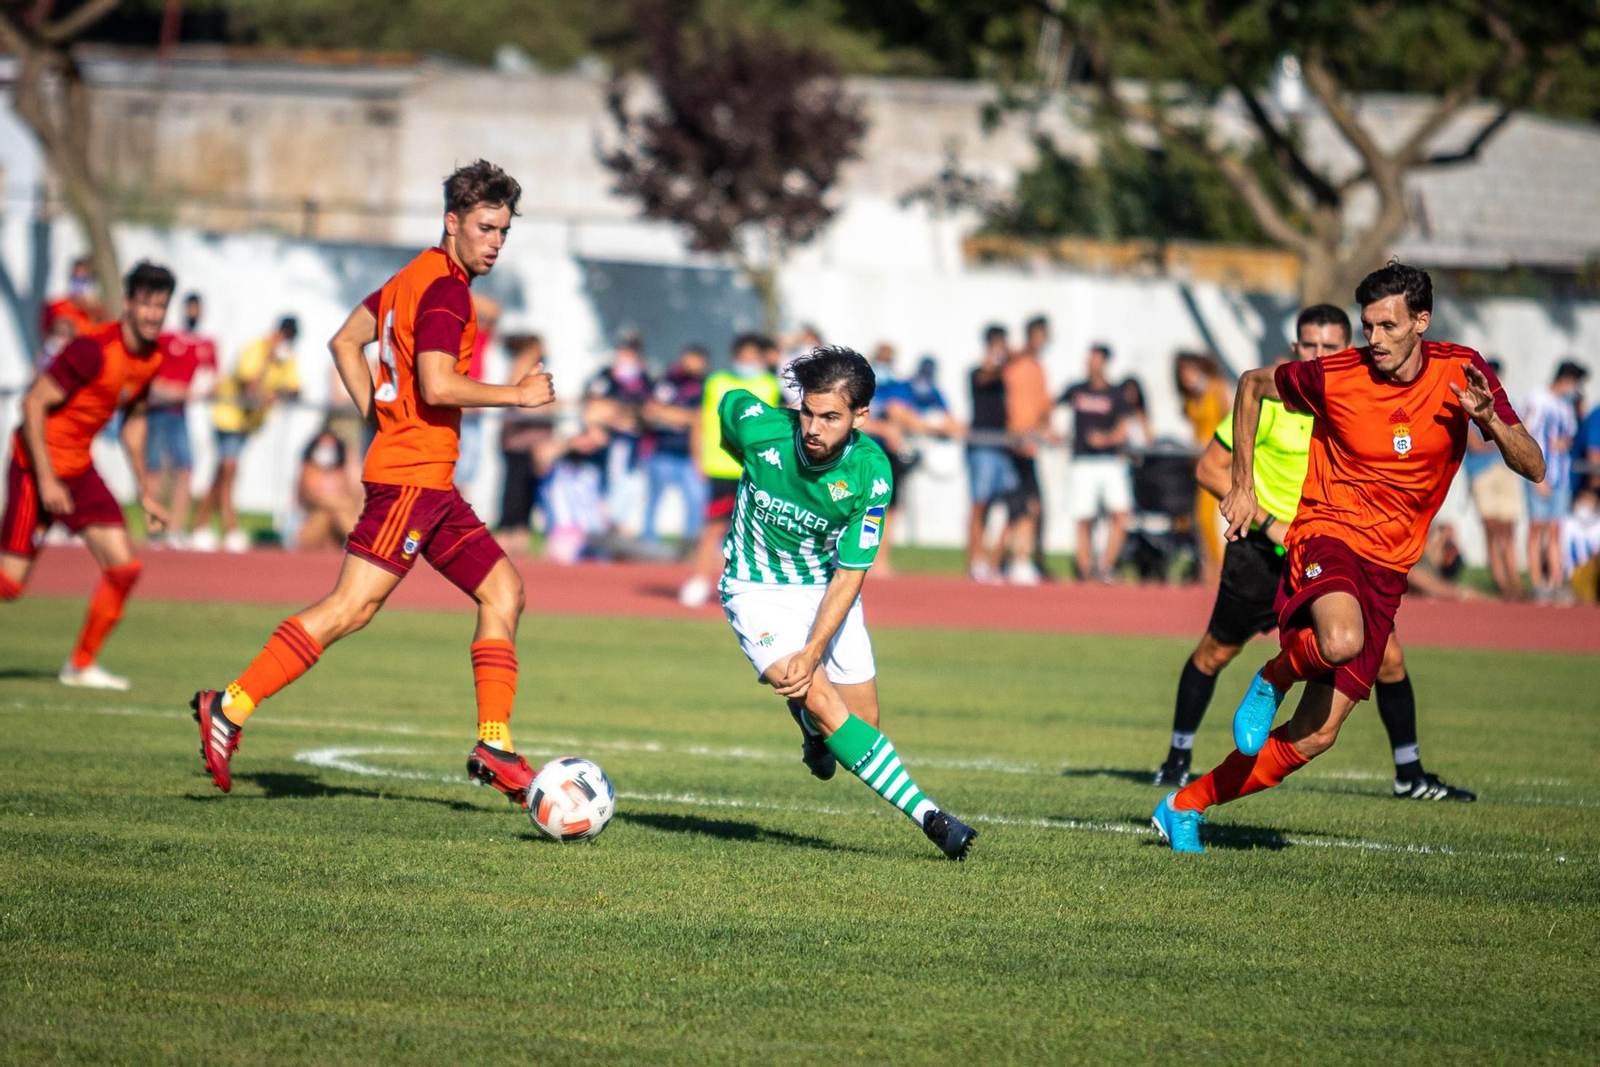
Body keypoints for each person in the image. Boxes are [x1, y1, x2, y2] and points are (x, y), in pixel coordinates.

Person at [190, 160, 557, 802]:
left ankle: (494, 744)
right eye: (485, 228)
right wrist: (518, 396)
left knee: (505, 592)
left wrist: (380, 416)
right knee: (351, 608)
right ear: (453, 222)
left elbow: (343, 342)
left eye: (503, 231)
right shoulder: (446, 290)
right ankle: (230, 705)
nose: (495, 242)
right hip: (410, 482)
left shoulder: (410, 277)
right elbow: (438, 384)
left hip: (430, 484)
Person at [1152, 263, 1545, 853]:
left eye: (1388, 326)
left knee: (1316, 736)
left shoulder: (1462, 372)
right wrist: (1242, 486)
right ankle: (1271, 677)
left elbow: (1534, 465)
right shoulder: (1337, 373)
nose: (1376, 339)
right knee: (1339, 641)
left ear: (1421, 321)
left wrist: (1487, 416)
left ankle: (1185, 803)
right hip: (1326, 534)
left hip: (1390, 567)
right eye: (1368, 327)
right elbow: (1252, 385)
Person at [1153, 304, 1475, 801]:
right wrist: (1264, 516)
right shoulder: (1276, 400)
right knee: (1216, 651)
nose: (1318, 354)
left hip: (1332, 550)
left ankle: (1409, 773)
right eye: (1309, 346)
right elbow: (1210, 469)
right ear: (1296, 347)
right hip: (1264, 553)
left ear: (1349, 351)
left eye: (1330, 347)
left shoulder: (1356, 400)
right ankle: (1177, 760)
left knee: (1385, 656)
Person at [717, 345, 978, 860]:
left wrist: (814, 648)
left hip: (827, 588)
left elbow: (852, 573)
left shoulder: (871, 474)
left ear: (861, 416)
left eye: (830, 417)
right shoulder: (756, 426)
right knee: (828, 707)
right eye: (808, 412)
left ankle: (812, 733)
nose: (813, 428)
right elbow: (731, 414)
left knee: (863, 729)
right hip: (754, 590)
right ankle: (933, 819)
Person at [1, 262, 176, 690]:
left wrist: (146, 492)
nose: (154, 314)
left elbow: (133, 423)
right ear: (128, 304)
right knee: (10, 586)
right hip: (34, 464)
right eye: (147, 304)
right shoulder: (92, 349)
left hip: (77, 472)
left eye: (161, 306)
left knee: (124, 567)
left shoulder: (151, 359)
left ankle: (80, 664)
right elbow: (31, 405)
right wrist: (45, 481)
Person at [678, 334, 779, 608]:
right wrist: (696, 456)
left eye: (751, 356)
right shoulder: (717, 382)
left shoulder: (770, 385)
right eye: (741, 355)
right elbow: (701, 420)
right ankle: (699, 580)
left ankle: (757, 586)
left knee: (760, 530)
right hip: (721, 467)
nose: (746, 361)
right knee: (713, 527)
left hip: (757, 469)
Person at [192, 316, 303, 552]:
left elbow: (296, 390)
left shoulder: (288, 359)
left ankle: (199, 527)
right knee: (230, 469)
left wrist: (280, 393)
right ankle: (230, 529)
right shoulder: (255, 349)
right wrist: (268, 360)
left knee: (222, 473)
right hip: (227, 417)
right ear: (276, 333)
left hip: (248, 425)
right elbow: (250, 388)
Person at [145, 292, 217, 548]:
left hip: (183, 416)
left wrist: (197, 392)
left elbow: (212, 380)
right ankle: (154, 530)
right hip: (157, 413)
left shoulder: (207, 345)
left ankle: (176, 530)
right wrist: (173, 391)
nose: (193, 314)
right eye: (190, 308)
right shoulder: (166, 339)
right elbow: (152, 379)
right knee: (154, 473)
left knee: (185, 471)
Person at [1060, 343, 1133, 582]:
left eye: (1097, 360)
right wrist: (1051, 431)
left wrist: (1106, 439)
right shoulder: (1076, 390)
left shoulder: (1116, 394)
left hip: (1109, 462)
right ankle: (1084, 570)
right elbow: (1050, 410)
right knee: (1083, 518)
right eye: (1089, 359)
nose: (1092, 364)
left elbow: (1123, 430)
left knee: (1121, 513)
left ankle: (1105, 566)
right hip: (1081, 462)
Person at [1522, 361, 1586, 603]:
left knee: (1556, 528)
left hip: (1561, 474)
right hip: (1539, 471)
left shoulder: (1568, 405)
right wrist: (1535, 474)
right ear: (1565, 378)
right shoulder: (1537, 398)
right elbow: (1525, 434)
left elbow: (1569, 436)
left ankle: (1556, 581)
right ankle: (1538, 581)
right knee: (1537, 526)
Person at [1464, 357, 1525, 599]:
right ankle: (1501, 583)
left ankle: (1515, 584)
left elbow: (1521, 437)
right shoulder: (1467, 403)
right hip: (1481, 473)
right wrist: (1502, 442)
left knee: (1509, 529)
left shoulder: (1507, 404)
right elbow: (1476, 445)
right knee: (1491, 529)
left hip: (1505, 471)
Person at [967, 325, 1020, 582]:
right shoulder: (977, 372)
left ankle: (996, 563)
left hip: (1003, 447)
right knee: (980, 505)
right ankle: (976, 560)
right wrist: (1002, 361)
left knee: (1011, 506)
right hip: (983, 446)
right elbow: (985, 377)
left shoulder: (1006, 377)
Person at [1001, 316, 1051, 585]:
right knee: (1017, 508)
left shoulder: (1039, 369)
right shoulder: (1014, 364)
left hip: (1030, 448)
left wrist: (1045, 429)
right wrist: (1015, 432)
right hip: (1012, 447)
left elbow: (1044, 408)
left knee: (1031, 507)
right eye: (1040, 335)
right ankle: (1011, 561)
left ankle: (1023, 559)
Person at [641, 345, 709, 543]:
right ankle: (648, 541)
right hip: (661, 451)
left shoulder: (708, 384)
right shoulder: (668, 382)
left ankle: (691, 544)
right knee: (654, 499)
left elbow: (705, 417)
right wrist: (687, 417)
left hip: (691, 455)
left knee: (696, 500)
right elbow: (651, 411)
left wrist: (674, 415)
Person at [1175, 352, 1233, 586]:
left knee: (1210, 519)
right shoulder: (1190, 397)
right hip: (1198, 464)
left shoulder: (1216, 388)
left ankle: (1218, 570)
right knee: (1201, 520)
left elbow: (1229, 419)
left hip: (1218, 461)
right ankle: (1208, 568)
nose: (1187, 378)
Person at [495, 334, 555, 555]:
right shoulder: (519, 368)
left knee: (529, 493)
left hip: (535, 443)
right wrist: (548, 408)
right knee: (514, 492)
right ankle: (506, 535)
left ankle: (521, 536)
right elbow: (519, 400)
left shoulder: (536, 368)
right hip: (517, 442)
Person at [454, 292, 501, 493]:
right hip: (454, 406)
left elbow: (494, 310)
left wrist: (459, 291)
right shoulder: (447, 336)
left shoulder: (478, 336)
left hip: (473, 409)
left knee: (467, 468)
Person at [294, 428, 362, 550]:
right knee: (324, 517)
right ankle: (362, 546)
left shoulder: (343, 471)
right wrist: (334, 501)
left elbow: (353, 500)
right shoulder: (309, 469)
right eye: (323, 446)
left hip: (340, 522)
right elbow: (309, 497)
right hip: (315, 521)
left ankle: (359, 545)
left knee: (337, 514)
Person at [40, 257, 104, 344]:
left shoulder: (97, 312)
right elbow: (45, 336)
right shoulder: (55, 307)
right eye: (76, 279)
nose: (80, 285)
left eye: (84, 280)